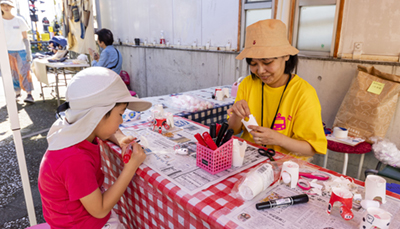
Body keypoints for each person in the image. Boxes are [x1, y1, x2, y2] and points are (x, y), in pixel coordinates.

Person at [38, 67, 152, 228]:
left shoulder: (71, 130)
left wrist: (119, 137)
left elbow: (100, 126)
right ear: (98, 115)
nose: (121, 122)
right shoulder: (74, 158)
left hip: (78, 216)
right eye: (120, 114)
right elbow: (99, 210)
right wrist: (131, 167)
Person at [228, 19, 327, 160]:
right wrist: (237, 115)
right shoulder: (247, 84)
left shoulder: (303, 93)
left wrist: (278, 139)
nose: (261, 71)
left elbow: (311, 149)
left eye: (267, 62)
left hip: (286, 166)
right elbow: (233, 130)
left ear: (286, 55)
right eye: (253, 63)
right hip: (248, 159)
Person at [1, 0, 35, 103]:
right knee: (13, 73)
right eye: (3, 5)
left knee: (25, 71)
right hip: (7, 51)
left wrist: (29, 53)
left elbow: (25, 38)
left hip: (21, 50)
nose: (6, 7)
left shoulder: (19, 20)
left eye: (8, 5)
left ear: (12, 7)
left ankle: (29, 94)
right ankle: (17, 94)